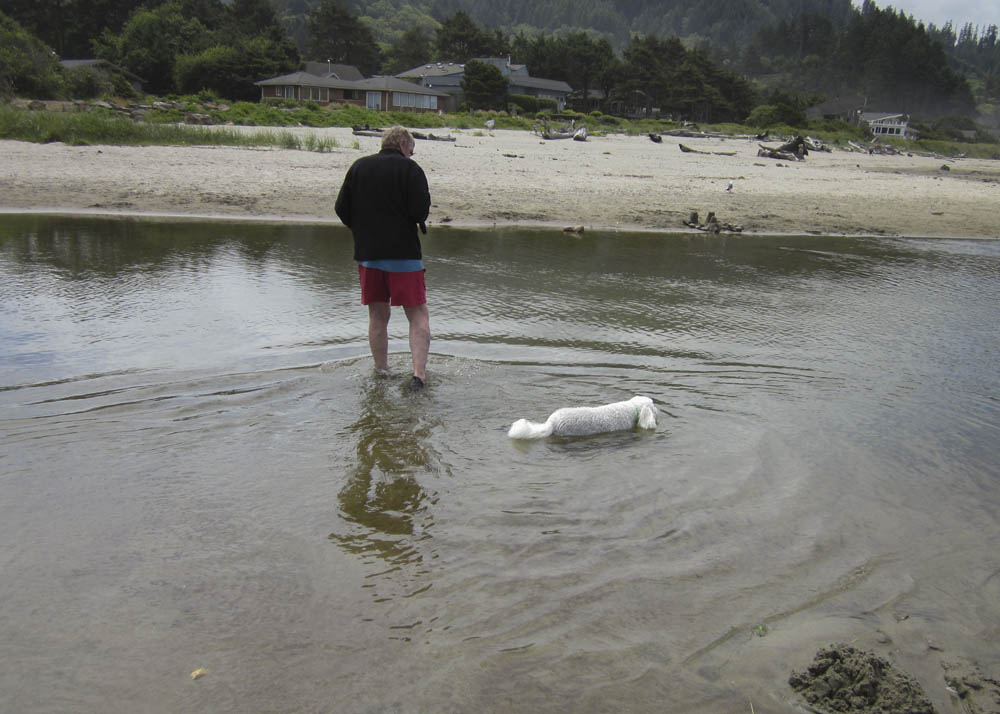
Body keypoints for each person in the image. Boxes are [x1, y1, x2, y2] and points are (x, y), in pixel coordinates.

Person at [335, 126, 431, 391]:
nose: (411, 156)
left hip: (369, 255)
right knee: (418, 314)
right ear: (403, 145)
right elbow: (420, 212)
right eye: (411, 151)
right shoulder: (411, 170)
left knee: (377, 315)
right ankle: (418, 376)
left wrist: (362, 229)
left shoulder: (359, 167)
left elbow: (341, 208)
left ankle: (381, 371)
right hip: (404, 255)